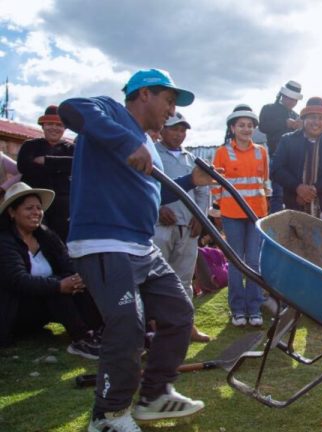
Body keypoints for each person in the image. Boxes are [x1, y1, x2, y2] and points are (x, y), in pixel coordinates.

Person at [58, 68, 211, 432]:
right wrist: (127, 143)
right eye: (169, 101)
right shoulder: (109, 112)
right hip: (103, 241)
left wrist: (191, 181)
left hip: (140, 246)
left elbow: (154, 193)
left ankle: (154, 396)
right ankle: (107, 416)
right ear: (144, 93)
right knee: (127, 326)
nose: (171, 112)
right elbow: (70, 108)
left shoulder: (149, 147)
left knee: (179, 313)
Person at [0, 182, 101, 356]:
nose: (35, 213)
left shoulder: (46, 236)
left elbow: (68, 264)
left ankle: (99, 330)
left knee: (77, 284)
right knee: (56, 290)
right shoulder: (4, 242)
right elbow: (18, 280)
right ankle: (82, 339)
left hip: (43, 305)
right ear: (12, 212)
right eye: (29, 208)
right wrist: (59, 285)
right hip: (16, 311)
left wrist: (74, 280)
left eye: (38, 208)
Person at [152, 112, 210, 342]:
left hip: (188, 227)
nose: (179, 134)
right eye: (174, 129)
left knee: (184, 280)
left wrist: (201, 217)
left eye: (182, 129)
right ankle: (157, 329)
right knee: (156, 280)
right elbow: (146, 186)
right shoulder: (152, 153)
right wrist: (157, 207)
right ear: (163, 129)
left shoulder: (191, 159)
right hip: (160, 226)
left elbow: (203, 191)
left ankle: (187, 326)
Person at [212, 105, 269, 327]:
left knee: (254, 262)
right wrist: (219, 208)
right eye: (241, 125)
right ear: (232, 128)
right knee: (236, 262)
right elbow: (215, 185)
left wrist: (266, 209)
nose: (246, 129)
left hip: (256, 215)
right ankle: (237, 310)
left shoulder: (261, 152)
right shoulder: (222, 152)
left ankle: (254, 309)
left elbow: (265, 182)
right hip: (232, 215)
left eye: (250, 125)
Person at [272, 97, 322, 224]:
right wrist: (298, 187)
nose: (316, 122)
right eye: (312, 117)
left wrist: (314, 190)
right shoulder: (288, 140)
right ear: (304, 119)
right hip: (294, 206)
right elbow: (276, 169)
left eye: (321, 118)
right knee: (293, 243)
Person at [17, 105, 74, 240]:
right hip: (34, 202)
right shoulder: (30, 145)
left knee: (60, 241)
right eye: (49, 124)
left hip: (63, 206)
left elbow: (76, 165)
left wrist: (46, 160)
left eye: (59, 124)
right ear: (43, 126)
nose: (54, 128)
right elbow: (24, 167)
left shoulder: (72, 148)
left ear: (65, 128)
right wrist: (61, 168)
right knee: (32, 238)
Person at [258, 80, 303, 213]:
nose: (292, 102)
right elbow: (263, 126)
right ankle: (275, 228)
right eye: (290, 98)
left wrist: (300, 128)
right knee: (277, 194)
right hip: (276, 156)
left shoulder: (295, 115)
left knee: (293, 194)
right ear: (283, 96)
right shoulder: (269, 109)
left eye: (294, 100)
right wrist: (285, 123)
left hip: (294, 159)